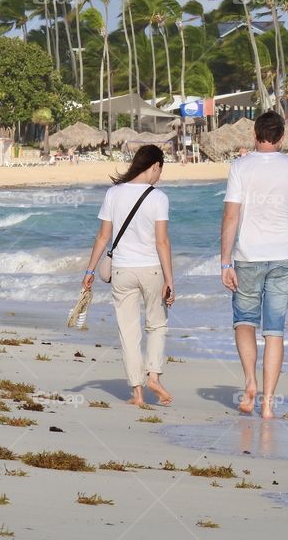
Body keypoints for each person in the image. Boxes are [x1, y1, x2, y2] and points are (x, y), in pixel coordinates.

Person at [220, 110, 288, 419]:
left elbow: (231, 216)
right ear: (282, 137)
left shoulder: (240, 166)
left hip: (248, 255)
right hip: (284, 256)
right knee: (274, 330)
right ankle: (267, 404)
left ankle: (250, 382)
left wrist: (225, 261)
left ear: (255, 134)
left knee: (244, 321)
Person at [83, 145, 175, 407]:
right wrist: (169, 279)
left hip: (122, 270)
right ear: (155, 165)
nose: (159, 176)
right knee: (156, 325)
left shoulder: (113, 193)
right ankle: (153, 376)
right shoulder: (159, 198)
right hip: (152, 269)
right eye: (160, 171)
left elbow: (103, 236)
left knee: (128, 331)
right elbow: (162, 242)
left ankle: (137, 392)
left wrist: (90, 270)